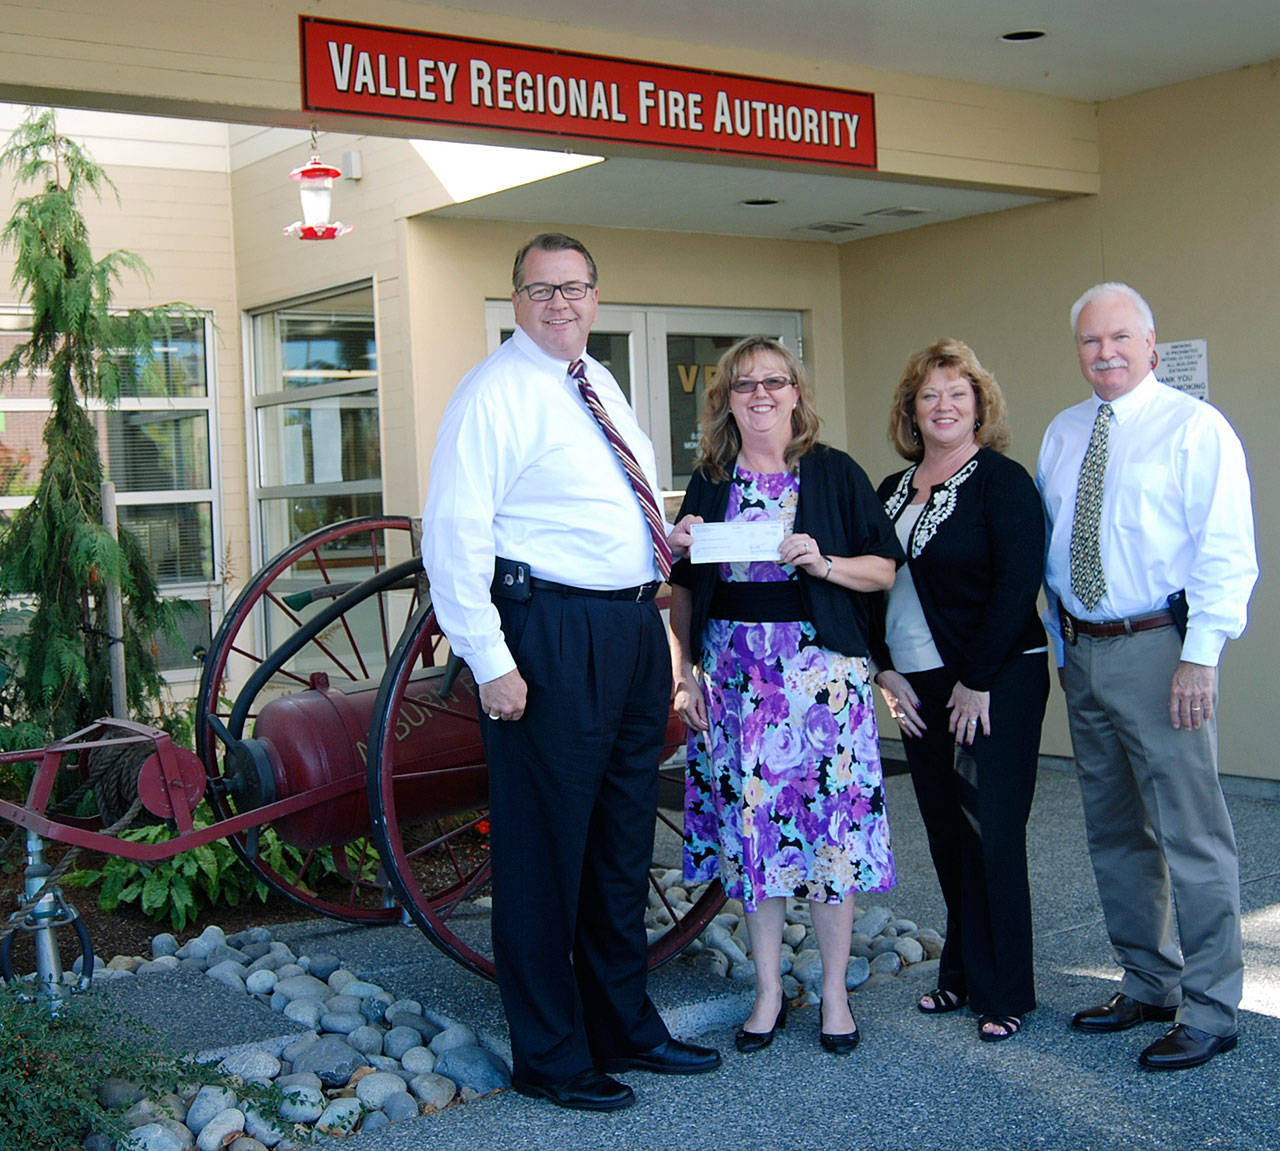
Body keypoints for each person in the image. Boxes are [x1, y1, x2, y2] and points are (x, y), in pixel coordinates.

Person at [421, 232, 720, 1112]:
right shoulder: (493, 394)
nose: (561, 303)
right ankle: (551, 1056)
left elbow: (604, 505)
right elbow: (455, 535)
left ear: (596, 296)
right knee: (545, 852)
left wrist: (669, 542)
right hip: (548, 633)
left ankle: (623, 1021)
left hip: (628, 627)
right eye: (542, 289)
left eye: (576, 288)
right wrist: (492, 661)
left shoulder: (599, 382)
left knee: (622, 841)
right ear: (516, 300)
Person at [1037, 282, 1257, 1071]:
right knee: (1114, 829)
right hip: (1086, 650)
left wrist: (1202, 653)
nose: (1106, 353)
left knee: (1191, 832)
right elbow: (1055, 554)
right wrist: (1065, 653)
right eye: (1092, 341)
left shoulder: (1195, 428)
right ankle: (1148, 979)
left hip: (1164, 649)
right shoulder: (1065, 433)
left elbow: (1226, 547)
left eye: (1120, 338)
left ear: (1152, 343)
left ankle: (1211, 1006)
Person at [667, 336, 901, 1055]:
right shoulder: (709, 479)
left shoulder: (833, 472)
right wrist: (684, 671)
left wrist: (823, 562)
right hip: (737, 685)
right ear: (726, 399)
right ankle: (768, 989)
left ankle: (833, 992)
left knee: (829, 841)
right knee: (755, 838)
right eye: (744, 384)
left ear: (797, 392)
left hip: (822, 685)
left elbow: (884, 571)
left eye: (773, 381)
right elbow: (682, 590)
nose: (760, 394)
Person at [869, 339, 1049, 1043]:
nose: (943, 406)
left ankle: (1007, 990)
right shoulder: (891, 489)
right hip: (918, 686)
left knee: (991, 831)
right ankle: (962, 971)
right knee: (946, 829)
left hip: (995, 676)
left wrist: (977, 679)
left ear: (979, 405)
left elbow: (1017, 582)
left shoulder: (1001, 481)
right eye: (929, 396)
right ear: (911, 410)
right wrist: (883, 668)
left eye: (957, 394)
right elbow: (872, 584)